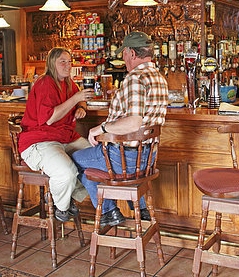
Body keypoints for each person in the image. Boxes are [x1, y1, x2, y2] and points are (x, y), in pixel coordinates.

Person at [72, 31, 168, 227]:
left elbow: (134, 122)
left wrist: (100, 128)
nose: (123, 58)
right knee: (90, 160)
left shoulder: (135, 78)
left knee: (73, 162)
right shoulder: (158, 77)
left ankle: (109, 212)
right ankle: (140, 208)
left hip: (123, 158)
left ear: (132, 53)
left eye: (124, 53)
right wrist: (120, 95)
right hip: (146, 158)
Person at [18, 47, 95, 222]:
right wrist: (76, 100)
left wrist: (81, 106)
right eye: (63, 61)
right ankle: (60, 207)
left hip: (65, 138)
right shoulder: (45, 82)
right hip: (39, 141)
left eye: (69, 62)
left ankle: (67, 197)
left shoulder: (69, 83)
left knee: (99, 160)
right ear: (52, 63)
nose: (68, 65)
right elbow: (51, 118)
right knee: (67, 172)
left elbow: (79, 96)